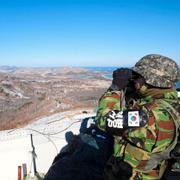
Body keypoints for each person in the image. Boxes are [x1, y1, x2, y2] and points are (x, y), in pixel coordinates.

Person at [95, 54, 180, 179]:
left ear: (150, 80)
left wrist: (115, 88)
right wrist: (134, 88)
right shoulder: (173, 104)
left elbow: (104, 119)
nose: (134, 79)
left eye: (138, 77)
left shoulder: (149, 116)